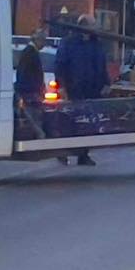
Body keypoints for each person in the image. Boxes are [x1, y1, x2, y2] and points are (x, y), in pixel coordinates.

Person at [54, 14, 108, 166]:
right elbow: (60, 66)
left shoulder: (96, 43)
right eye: (94, 25)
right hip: (74, 89)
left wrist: (106, 82)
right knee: (69, 122)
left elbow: (102, 64)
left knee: (88, 124)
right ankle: (62, 153)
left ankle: (83, 155)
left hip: (92, 90)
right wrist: (62, 87)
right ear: (85, 27)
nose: (96, 28)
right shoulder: (69, 43)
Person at [15, 28, 47, 139]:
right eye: (43, 40)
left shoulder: (29, 52)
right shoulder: (30, 53)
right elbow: (26, 74)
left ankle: (38, 135)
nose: (44, 44)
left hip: (29, 91)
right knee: (33, 116)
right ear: (37, 40)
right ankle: (39, 136)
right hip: (30, 92)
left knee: (32, 116)